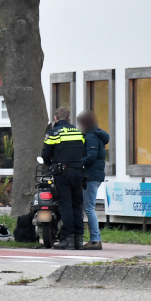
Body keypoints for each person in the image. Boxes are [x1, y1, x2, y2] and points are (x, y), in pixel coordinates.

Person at [41, 107, 85, 250]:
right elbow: (82, 151)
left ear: (55, 118)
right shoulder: (78, 132)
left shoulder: (53, 133)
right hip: (78, 172)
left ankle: (68, 239)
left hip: (62, 173)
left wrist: (50, 165)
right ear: (69, 118)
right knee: (77, 205)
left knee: (65, 205)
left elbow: (45, 154)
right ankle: (79, 240)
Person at [77, 110, 108, 250]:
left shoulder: (91, 137)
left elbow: (91, 156)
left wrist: (76, 162)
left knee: (89, 208)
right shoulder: (96, 135)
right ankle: (94, 239)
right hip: (96, 174)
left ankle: (95, 240)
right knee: (89, 207)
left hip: (91, 175)